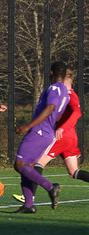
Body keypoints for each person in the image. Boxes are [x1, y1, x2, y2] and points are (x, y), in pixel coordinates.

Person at [13, 67, 89, 203]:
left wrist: (61, 128)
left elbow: (77, 113)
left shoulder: (68, 94)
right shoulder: (67, 94)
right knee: (74, 172)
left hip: (62, 135)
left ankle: (32, 197)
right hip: (71, 137)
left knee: (36, 163)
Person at [12, 61, 70, 213]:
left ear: (51, 73)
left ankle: (51, 188)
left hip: (39, 131)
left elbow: (50, 109)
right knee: (26, 166)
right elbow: (59, 117)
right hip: (47, 132)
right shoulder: (65, 92)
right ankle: (29, 205)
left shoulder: (54, 88)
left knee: (19, 165)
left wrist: (28, 126)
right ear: (64, 76)